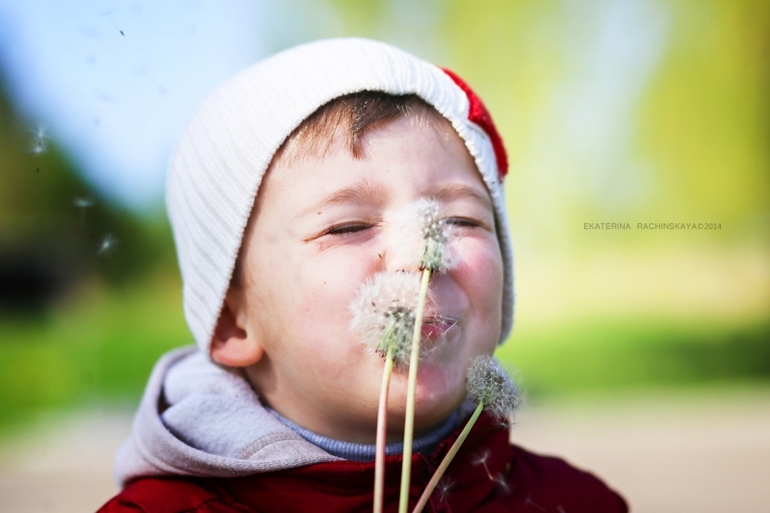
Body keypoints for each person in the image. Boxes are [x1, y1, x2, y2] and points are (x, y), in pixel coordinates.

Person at [98, 38, 628, 512]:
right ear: (232, 321)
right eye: (348, 226)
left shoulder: (574, 504)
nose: (420, 257)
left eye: (462, 220)